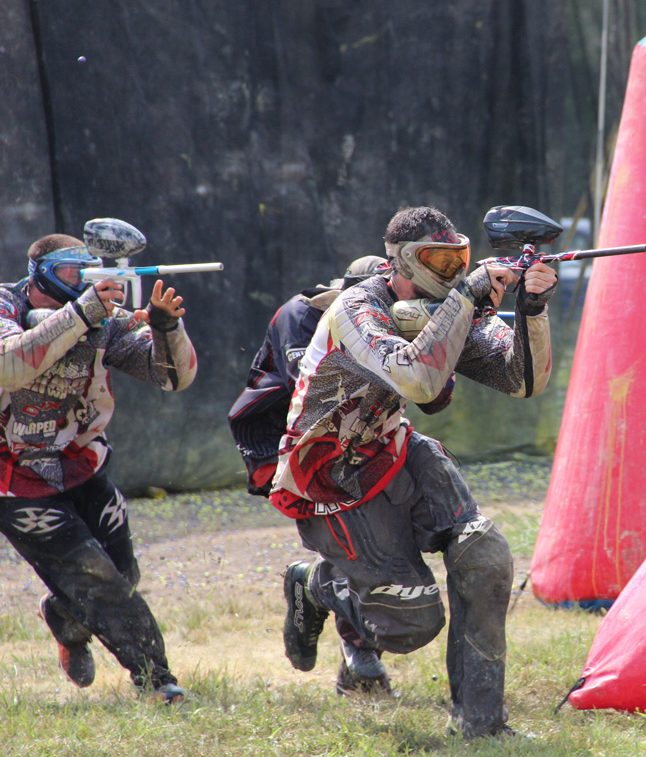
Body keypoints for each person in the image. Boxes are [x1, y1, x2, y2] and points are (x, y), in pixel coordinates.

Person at [269, 206, 555, 738]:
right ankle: (317, 584)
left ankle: (481, 726)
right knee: (411, 624)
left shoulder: (446, 305)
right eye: (439, 261)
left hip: (396, 448)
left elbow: (522, 380)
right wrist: (465, 296)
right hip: (329, 474)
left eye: (459, 260)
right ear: (402, 260)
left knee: (485, 555)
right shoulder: (358, 307)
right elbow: (418, 381)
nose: (452, 271)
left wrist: (530, 308)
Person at [229, 253, 451, 696]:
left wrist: (434, 338)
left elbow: (429, 396)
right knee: (364, 549)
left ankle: (350, 655)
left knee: (387, 546)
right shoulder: (303, 314)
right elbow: (319, 393)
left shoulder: (390, 322)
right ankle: (332, 611)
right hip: (290, 448)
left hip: (353, 443)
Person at [0, 234, 196, 703]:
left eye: (88, 272)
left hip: (82, 463)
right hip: (14, 478)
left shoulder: (103, 317)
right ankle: (156, 681)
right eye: (71, 272)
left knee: (122, 573)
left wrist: (167, 329)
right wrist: (83, 312)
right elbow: (8, 366)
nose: (82, 282)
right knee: (96, 576)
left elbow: (173, 377)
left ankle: (65, 618)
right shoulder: (6, 306)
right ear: (39, 273)